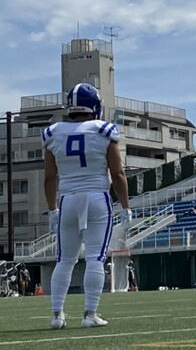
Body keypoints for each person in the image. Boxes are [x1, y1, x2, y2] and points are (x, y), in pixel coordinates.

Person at [43, 82, 132, 328]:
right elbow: (118, 173)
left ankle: (56, 315)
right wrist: (125, 206)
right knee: (95, 257)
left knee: (65, 259)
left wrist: (52, 209)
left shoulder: (53, 132)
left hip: (68, 199)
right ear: (95, 105)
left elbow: (49, 178)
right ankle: (90, 314)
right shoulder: (104, 130)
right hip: (96, 197)